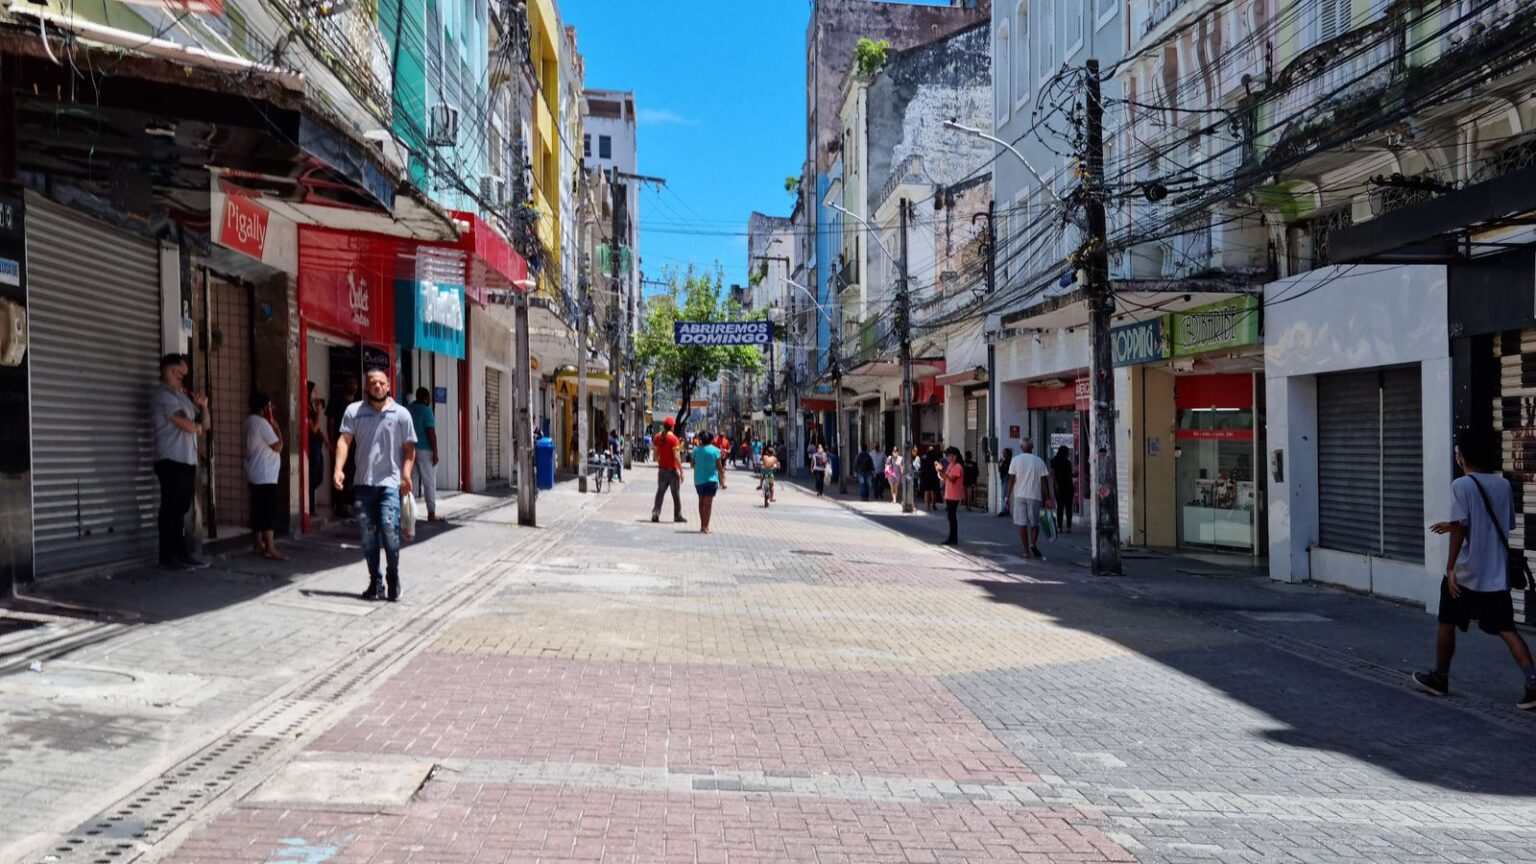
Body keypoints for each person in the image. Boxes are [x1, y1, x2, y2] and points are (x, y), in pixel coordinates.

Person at [1415, 430, 1536, 710]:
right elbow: (1502, 525)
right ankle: (1532, 681)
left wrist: (1450, 567)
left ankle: (1440, 678)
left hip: (1467, 571)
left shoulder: (1462, 485)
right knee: (1507, 628)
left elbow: (1461, 528)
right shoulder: (1503, 485)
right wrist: (1456, 523)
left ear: (1462, 455)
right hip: (1495, 573)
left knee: (1447, 621)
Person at [334, 369, 417, 602]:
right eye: (373, 383)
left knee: (390, 532)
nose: (377, 386)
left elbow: (410, 449)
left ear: (389, 386)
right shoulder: (354, 412)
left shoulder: (401, 414)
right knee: (368, 538)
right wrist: (338, 469)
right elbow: (344, 440)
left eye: (382, 383)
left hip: (390, 485)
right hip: (363, 485)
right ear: (366, 387)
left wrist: (406, 475)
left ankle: (393, 576)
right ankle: (375, 582)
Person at [150, 353, 210, 570]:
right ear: (169, 371)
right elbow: (189, 425)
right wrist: (197, 425)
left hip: (186, 459)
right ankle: (168, 556)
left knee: (182, 507)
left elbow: (204, 424)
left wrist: (203, 406)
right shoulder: (163, 396)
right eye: (180, 374)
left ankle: (181, 552)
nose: (183, 379)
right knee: (171, 508)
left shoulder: (182, 397)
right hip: (170, 458)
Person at [245, 391, 287, 561]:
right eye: (269, 406)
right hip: (265, 473)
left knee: (257, 510)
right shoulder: (262, 423)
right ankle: (269, 547)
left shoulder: (249, 421)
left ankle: (257, 544)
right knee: (268, 511)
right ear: (264, 407)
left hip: (255, 471)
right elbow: (278, 446)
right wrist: (277, 428)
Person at [1006, 438, 1053, 559]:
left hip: (1019, 496)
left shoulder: (1015, 460)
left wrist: (1007, 496)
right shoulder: (1039, 461)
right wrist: (1048, 497)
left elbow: (1011, 479)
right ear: (1032, 447)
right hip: (1035, 496)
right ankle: (1033, 543)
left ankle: (1026, 551)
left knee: (1021, 524)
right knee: (1034, 523)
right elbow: (1044, 480)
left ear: (1021, 447)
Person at [408, 387, 443, 522]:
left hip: (410, 449)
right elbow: (431, 432)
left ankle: (409, 512)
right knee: (429, 481)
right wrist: (435, 452)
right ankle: (431, 513)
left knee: (412, 480)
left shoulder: (408, 409)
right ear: (427, 398)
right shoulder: (427, 411)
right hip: (425, 450)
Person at [329, 375, 359, 518]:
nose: (353, 386)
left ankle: (350, 505)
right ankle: (339, 507)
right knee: (340, 474)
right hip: (340, 444)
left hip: (355, 447)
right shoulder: (336, 401)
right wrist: (331, 442)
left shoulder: (359, 404)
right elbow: (331, 421)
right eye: (351, 383)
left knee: (353, 475)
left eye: (355, 384)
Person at [652, 417, 685, 523]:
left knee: (660, 493)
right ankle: (677, 515)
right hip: (672, 471)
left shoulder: (657, 437)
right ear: (672, 427)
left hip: (662, 470)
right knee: (676, 495)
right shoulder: (674, 439)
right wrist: (681, 470)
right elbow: (676, 456)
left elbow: (655, 454)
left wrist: (660, 463)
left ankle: (655, 514)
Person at [692, 431, 726, 533]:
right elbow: (720, 468)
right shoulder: (716, 451)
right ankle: (706, 527)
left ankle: (702, 525)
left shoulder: (696, 450)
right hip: (711, 480)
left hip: (699, 480)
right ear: (711, 440)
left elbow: (692, 465)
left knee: (701, 503)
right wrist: (722, 481)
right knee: (708, 505)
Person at [307, 393, 330, 517]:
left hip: (318, 446)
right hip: (312, 447)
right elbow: (314, 428)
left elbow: (318, 430)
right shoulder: (307, 410)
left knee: (318, 476)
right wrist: (319, 412)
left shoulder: (311, 408)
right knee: (312, 477)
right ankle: (309, 508)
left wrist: (325, 440)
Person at [941, 447, 965, 546]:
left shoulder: (958, 467)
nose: (947, 457)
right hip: (949, 494)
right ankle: (951, 537)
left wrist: (943, 472)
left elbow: (952, 480)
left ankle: (953, 538)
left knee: (952, 517)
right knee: (950, 517)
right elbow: (945, 478)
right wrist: (940, 471)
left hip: (954, 495)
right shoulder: (950, 465)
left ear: (954, 457)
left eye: (949, 455)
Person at [1050, 445, 1075, 533]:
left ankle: (1059, 527)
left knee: (1060, 507)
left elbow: (1052, 474)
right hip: (1068, 486)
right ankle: (1068, 526)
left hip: (1059, 487)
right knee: (1068, 507)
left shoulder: (1054, 461)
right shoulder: (1067, 462)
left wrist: (1056, 484)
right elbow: (1069, 475)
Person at [996, 447, 1014, 518]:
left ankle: (1005, 510)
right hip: (1003, 478)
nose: (1003, 454)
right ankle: (1005, 509)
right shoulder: (1003, 461)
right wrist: (999, 464)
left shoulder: (1010, 462)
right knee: (1004, 494)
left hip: (1007, 478)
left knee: (1005, 494)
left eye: (1004, 453)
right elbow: (1000, 470)